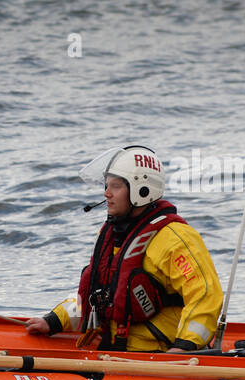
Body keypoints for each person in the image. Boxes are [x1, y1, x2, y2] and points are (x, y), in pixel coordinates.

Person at [25, 145, 223, 352]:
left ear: (142, 190)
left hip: (156, 352)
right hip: (114, 349)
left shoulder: (175, 239)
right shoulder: (113, 236)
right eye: (107, 185)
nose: (106, 193)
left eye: (116, 186)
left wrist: (184, 347)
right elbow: (99, 295)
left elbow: (205, 296)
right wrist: (54, 320)